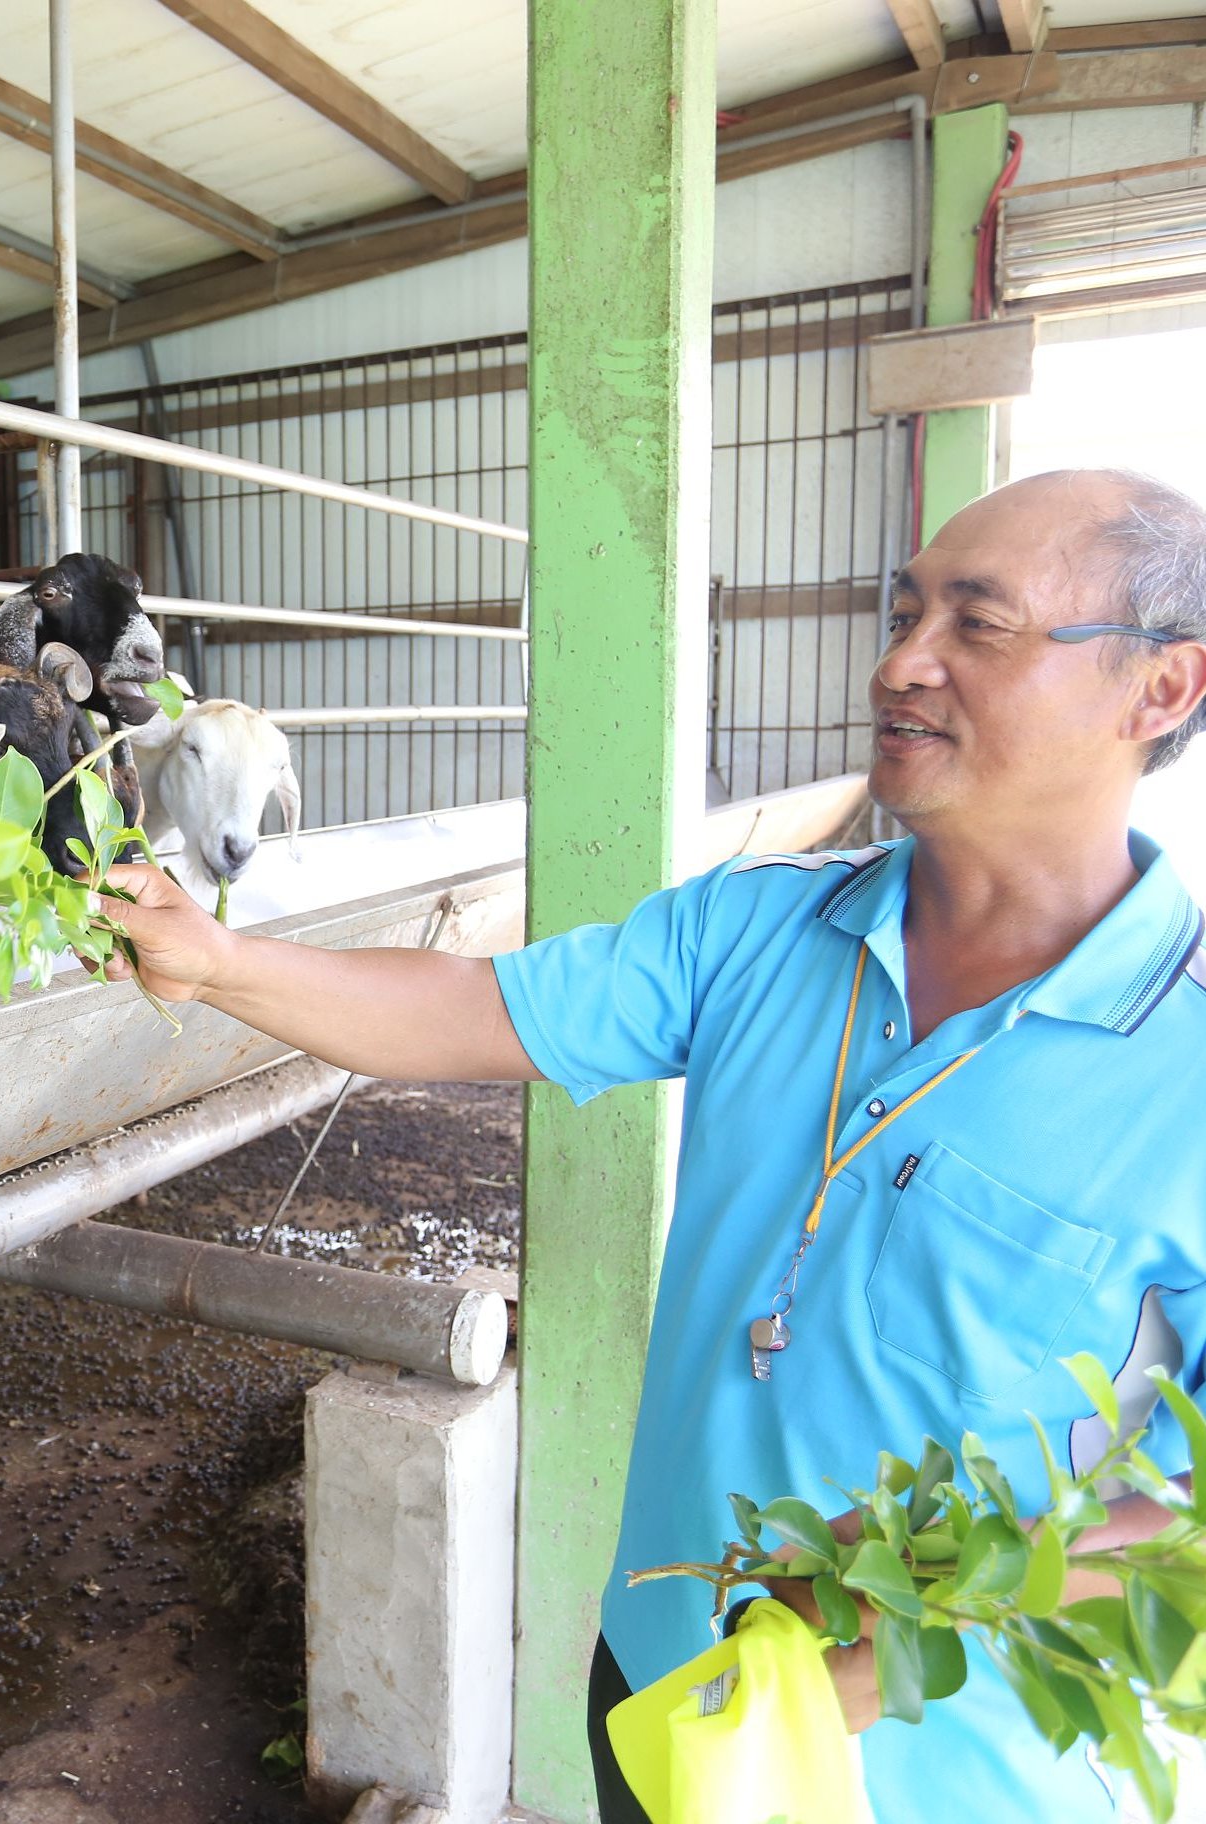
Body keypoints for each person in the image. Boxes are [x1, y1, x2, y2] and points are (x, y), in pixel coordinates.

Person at [87, 469, 1206, 1821]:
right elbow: (477, 1009)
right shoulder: (759, 927)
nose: (902, 663)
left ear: (1160, 688)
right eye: (906, 612)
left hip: (955, 1782)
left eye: (979, 624)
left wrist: (938, 1620)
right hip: (667, 1690)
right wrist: (216, 961)